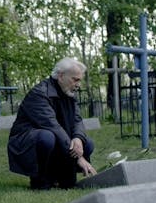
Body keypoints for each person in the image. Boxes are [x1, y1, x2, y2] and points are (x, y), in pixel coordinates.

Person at [7, 57, 97, 189]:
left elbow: (77, 120)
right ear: (61, 76)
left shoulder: (69, 94)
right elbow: (52, 125)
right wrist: (79, 157)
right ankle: (40, 181)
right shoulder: (39, 93)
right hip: (28, 141)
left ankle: (64, 180)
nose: (78, 85)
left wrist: (78, 138)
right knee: (46, 137)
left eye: (80, 80)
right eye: (75, 79)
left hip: (57, 138)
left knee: (86, 143)